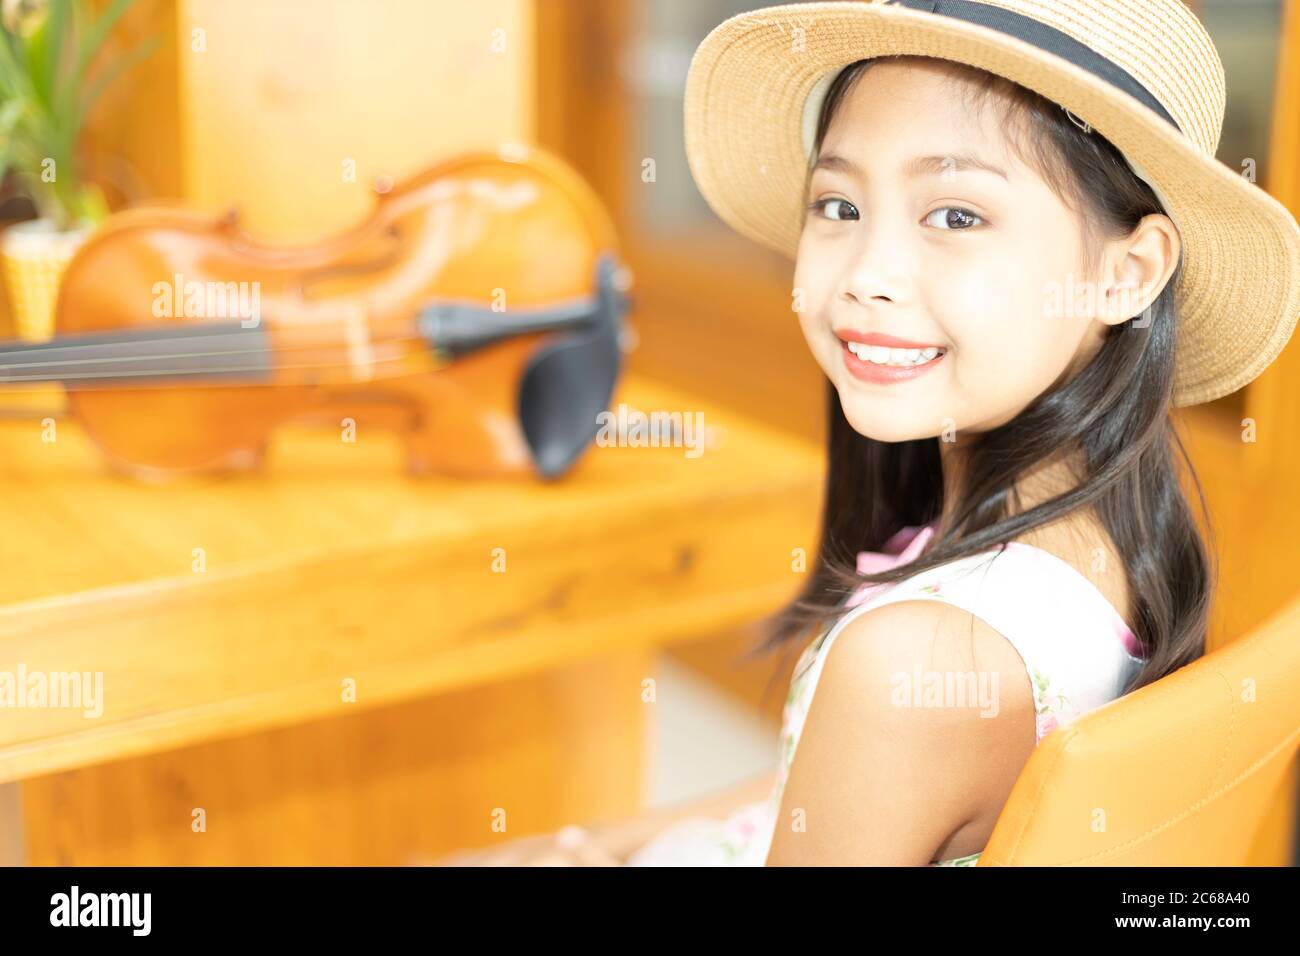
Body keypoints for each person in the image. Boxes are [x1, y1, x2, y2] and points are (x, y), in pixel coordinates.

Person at [447, 0, 1300, 866]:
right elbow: (819, 787)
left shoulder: (916, 662)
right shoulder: (1109, 548)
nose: (866, 276)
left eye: (956, 215)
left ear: (1127, 273)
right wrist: (591, 843)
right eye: (839, 205)